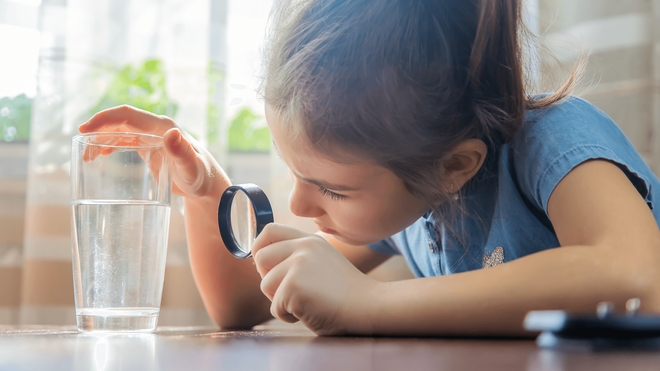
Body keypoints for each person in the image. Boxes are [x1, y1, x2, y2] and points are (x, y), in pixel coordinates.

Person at [79, 0, 660, 336]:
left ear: (456, 165)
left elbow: (637, 280)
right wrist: (206, 191)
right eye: (297, 174)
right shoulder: (412, 203)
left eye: (331, 188)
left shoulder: (554, 138)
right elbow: (243, 304)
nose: (303, 207)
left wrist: (369, 303)